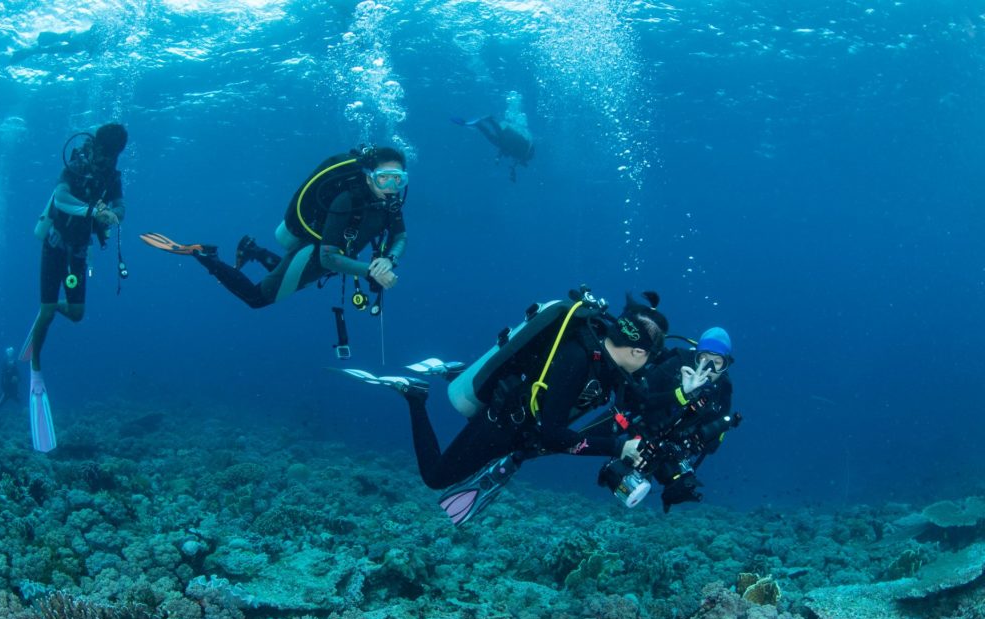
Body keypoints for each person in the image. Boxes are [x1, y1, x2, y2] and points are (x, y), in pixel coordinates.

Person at [342, 290, 669, 524]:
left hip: (518, 431)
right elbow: (553, 434)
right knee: (435, 477)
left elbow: (638, 398)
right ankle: (416, 397)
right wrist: (617, 447)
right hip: (499, 426)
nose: (649, 365)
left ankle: (451, 371)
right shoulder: (578, 359)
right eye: (651, 357)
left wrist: (684, 392)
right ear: (637, 353)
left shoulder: (606, 361)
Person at [140, 146, 408, 310]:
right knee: (257, 299)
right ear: (368, 176)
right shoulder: (347, 200)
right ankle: (205, 255)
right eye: (383, 178)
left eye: (398, 180)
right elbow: (327, 257)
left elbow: (400, 235)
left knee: (289, 280)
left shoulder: (390, 203)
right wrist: (371, 272)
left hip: (329, 260)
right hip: (312, 254)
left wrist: (389, 260)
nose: (390, 186)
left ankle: (253, 250)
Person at [21, 122, 128, 452]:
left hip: (80, 252)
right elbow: (61, 197)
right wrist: (92, 210)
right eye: (106, 153)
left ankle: (48, 311)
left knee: (77, 314)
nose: (108, 160)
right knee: (47, 312)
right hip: (54, 246)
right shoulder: (76, 165)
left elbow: (121, 206)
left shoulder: (112, 176)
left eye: (114, 155)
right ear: (97, 146)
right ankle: (36, 374)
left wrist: (112, 214)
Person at [609, 327, 739, 512]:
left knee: (676, 484)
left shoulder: (723, 389)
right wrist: (681, 394)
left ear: (726, 364)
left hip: (670, 444)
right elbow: (638, 400)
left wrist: (691, 446)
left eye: (717, 362)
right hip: (639, 425)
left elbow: (712, 443)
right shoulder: (675, 365)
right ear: (695, 356)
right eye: (703, 359)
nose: (709, 368)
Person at [452, 115, 534, 182]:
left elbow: (509, 153)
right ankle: (489, 120)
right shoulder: (522, 153)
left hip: (504, 144)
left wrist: (498, 157)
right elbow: (511, 149)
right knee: (497, 134)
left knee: (491, 137)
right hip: (508, 141)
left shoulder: (520, 155)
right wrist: (501, 156)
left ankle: (480, 124)